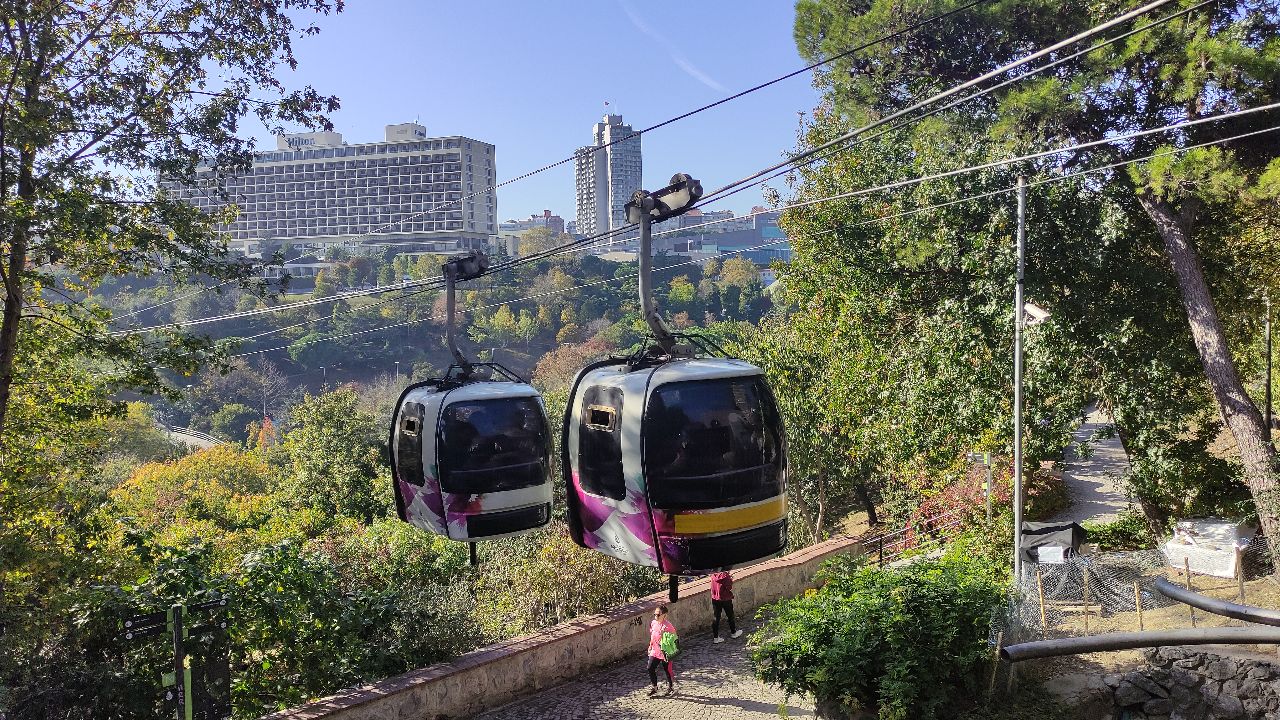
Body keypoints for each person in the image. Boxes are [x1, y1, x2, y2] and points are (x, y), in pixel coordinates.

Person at [646, 604, 677, 696]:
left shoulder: (668, 626)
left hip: (665, 651)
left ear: (664, 615)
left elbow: (674, 638)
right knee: (650, 668)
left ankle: (671, 687)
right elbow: (652, 635)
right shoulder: (653, 623)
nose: (656, 616)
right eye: (655, 614)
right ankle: (655, 687)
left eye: (658, 614)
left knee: (667, 669)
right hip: (655, 651)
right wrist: (650, 646)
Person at [710, 570, 741, 643]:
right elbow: (729, 587)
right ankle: (733, 633)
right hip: (725, 598)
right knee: (730, 616)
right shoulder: (725, 576)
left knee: (716, 617)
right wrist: (730, 578)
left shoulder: (713, 574)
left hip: (715, 598)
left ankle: (716, 638)